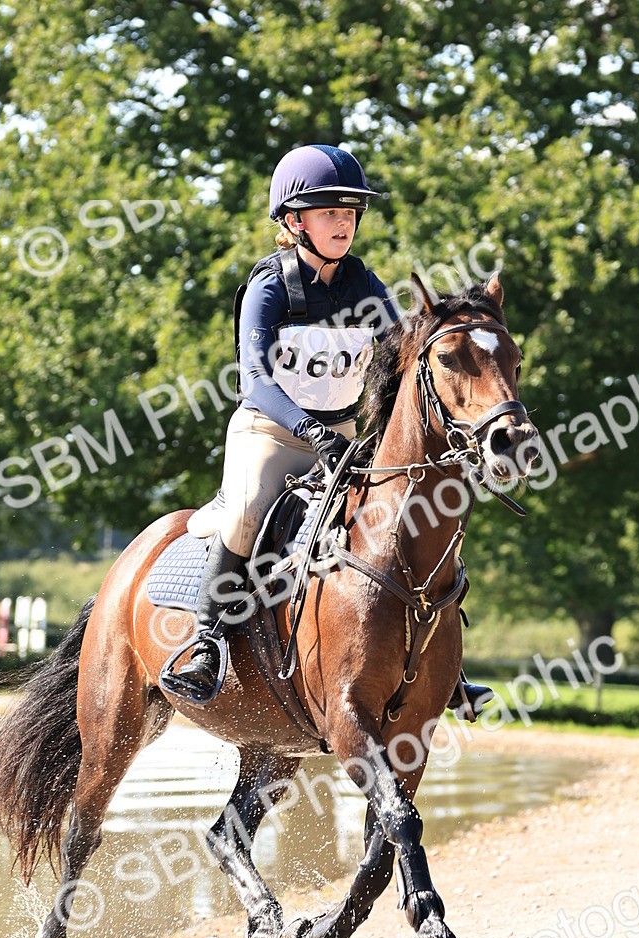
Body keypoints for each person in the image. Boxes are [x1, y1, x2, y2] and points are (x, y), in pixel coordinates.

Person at [175, 143, 493, 719]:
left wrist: (456, 334)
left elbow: (407, 348)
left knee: (411, 513)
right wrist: (309, 431)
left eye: (350, 213)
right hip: (271, 433)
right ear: (294, 222)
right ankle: (206, 640)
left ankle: (447, 667)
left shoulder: (362, 285)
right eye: (329, 212)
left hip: (344, 438)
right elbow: (254, 381)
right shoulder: (269, 288)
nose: (344, 223)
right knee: (247, 509)